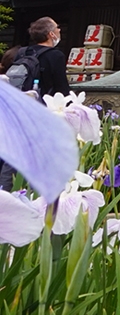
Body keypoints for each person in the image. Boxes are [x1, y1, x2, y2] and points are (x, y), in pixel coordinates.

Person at [0, 17, 70, 191]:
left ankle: (5, 193)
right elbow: (61, 87)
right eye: (57, 28)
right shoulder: (56, 55)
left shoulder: (22, 52)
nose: (60, 31)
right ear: (51, 34)